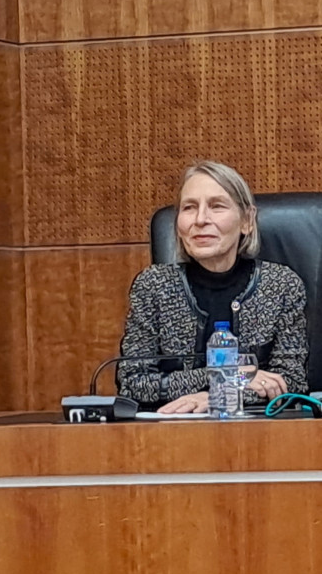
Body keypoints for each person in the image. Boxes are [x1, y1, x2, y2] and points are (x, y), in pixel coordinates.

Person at [117, 161, 307, 413]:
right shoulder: (154, 286)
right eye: (189, 207)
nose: (200, 219)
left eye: (216, 206)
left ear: (247, 220)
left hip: (258, 436)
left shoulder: (281, 285)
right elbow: (132, 384)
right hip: (169, 438)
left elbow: (292, 383)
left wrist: (216, 397)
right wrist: (223, 377)